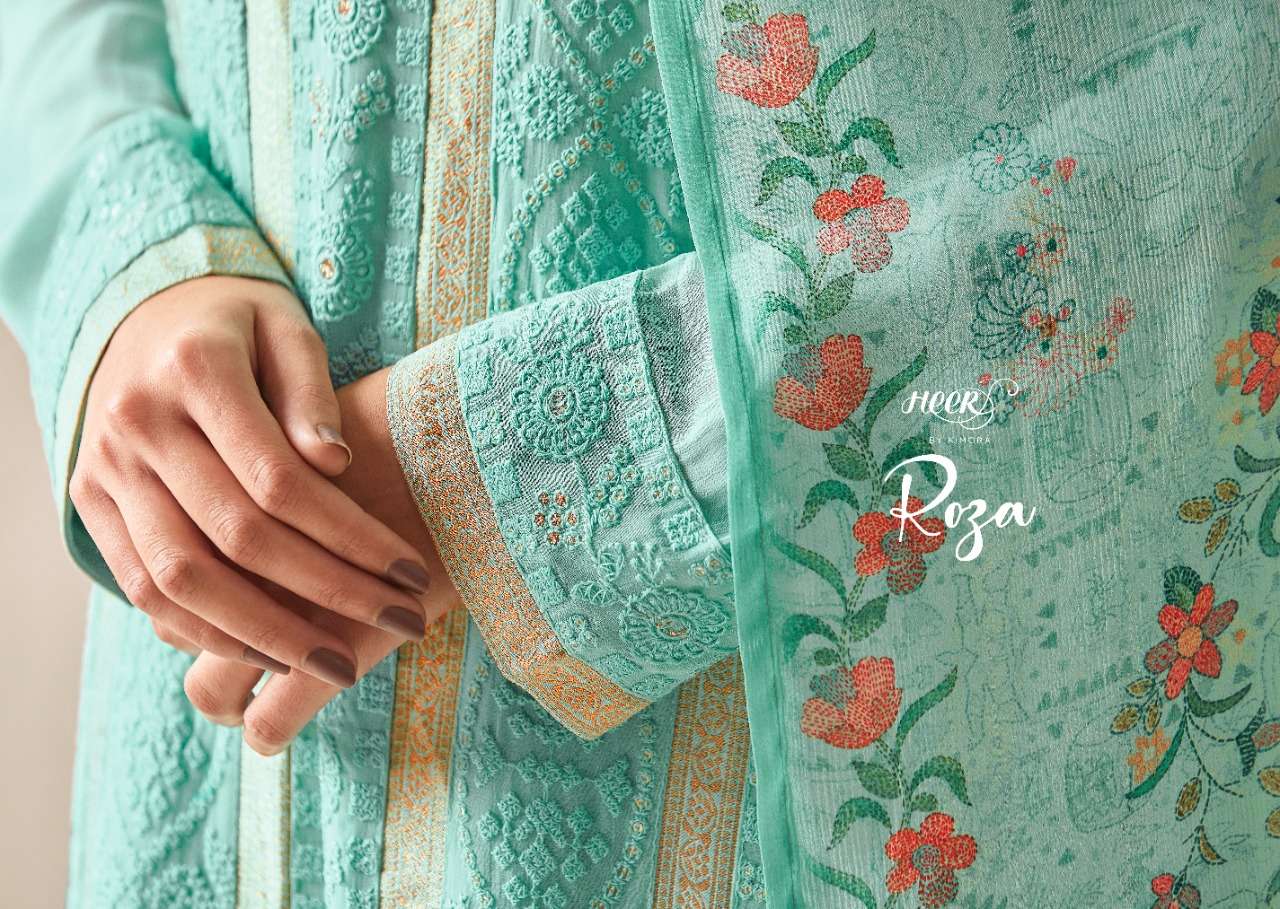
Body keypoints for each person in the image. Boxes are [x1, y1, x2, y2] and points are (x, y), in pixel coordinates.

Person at [1, 0, 1277, 906]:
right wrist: (125, 257)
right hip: (225, 749)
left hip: (793, 735)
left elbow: (1219, 124)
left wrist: (520, 470)